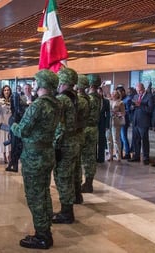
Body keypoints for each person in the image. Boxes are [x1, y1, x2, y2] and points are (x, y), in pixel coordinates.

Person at [10, 69, 61, 250]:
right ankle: (45, 229)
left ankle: (42, 236)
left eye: (36, 81)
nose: (34, 84)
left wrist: (12, 124)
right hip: (47, 153)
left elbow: (23, 131)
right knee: (44, 193)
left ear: (41, 84)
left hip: (34, 157)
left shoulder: (38, 105)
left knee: (35, 196)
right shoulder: (56, 104)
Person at [52, 68, 79, 224]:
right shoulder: (76, 97)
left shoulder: (62, 99)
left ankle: (66, 212)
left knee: (62, 178)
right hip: (73, 141)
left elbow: (58, 123)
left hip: (64, 143)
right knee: (67, 177)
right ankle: (66, 210)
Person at [81, 74, 102, 193]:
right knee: (90, 156)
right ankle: (88, 182)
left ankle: (88, 183)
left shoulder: (91, 98)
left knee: (87, 157)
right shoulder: (98, 97)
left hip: (87, 128)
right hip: (94, 128)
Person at [128, 82, 154, 165]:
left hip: (144, 121)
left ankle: (146, 157)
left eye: (140, 90)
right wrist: (132, 107)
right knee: (136, 139)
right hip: (135, 121)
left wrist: (140, 105)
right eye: (137, 90)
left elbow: (150, 109)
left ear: (143, 89)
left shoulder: (149, 96)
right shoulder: (135, 96)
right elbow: (132, 108)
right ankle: (136, 156)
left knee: (144, 140)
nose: (139, 92)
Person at [74, 74, 90, 204]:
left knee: (75, 165)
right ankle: (77, 191)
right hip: (82, 132)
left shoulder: (79, 100)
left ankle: (75, 193)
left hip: (76, 134)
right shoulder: (87, 99)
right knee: (78, 164)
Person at [106, 90, 125, 162]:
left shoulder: (120, 102)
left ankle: (118, 156)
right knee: (108, 139)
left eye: (115, 93)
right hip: (108, 122)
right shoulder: (108, 101)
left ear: (117, 95)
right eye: (112, 93)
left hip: (116, 122)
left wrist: (116, 113)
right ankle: (110, 155)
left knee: (115, 139)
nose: (113, 94)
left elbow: (123, 113)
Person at [0, 85, 12, 163]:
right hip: (2, 120)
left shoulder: (12, 99)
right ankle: (4, 155)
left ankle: (10, 155)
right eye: (5, 90)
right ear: (2, 91)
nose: (6, 91)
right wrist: (4, 101)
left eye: (8, 90)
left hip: (11, 120)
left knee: (10, 138)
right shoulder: (0, 100)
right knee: (3, 138)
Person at [116, 86, 132, 159]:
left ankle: (127, 153)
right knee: (119, 137)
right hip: (118, 120)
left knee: (123, 137)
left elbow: (129, 111)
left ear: (123, 92)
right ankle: (120, 153)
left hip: (124, 121)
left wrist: (121, 112)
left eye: (118, 92)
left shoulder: (127, 99)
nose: (117, 94)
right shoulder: (119, 99)